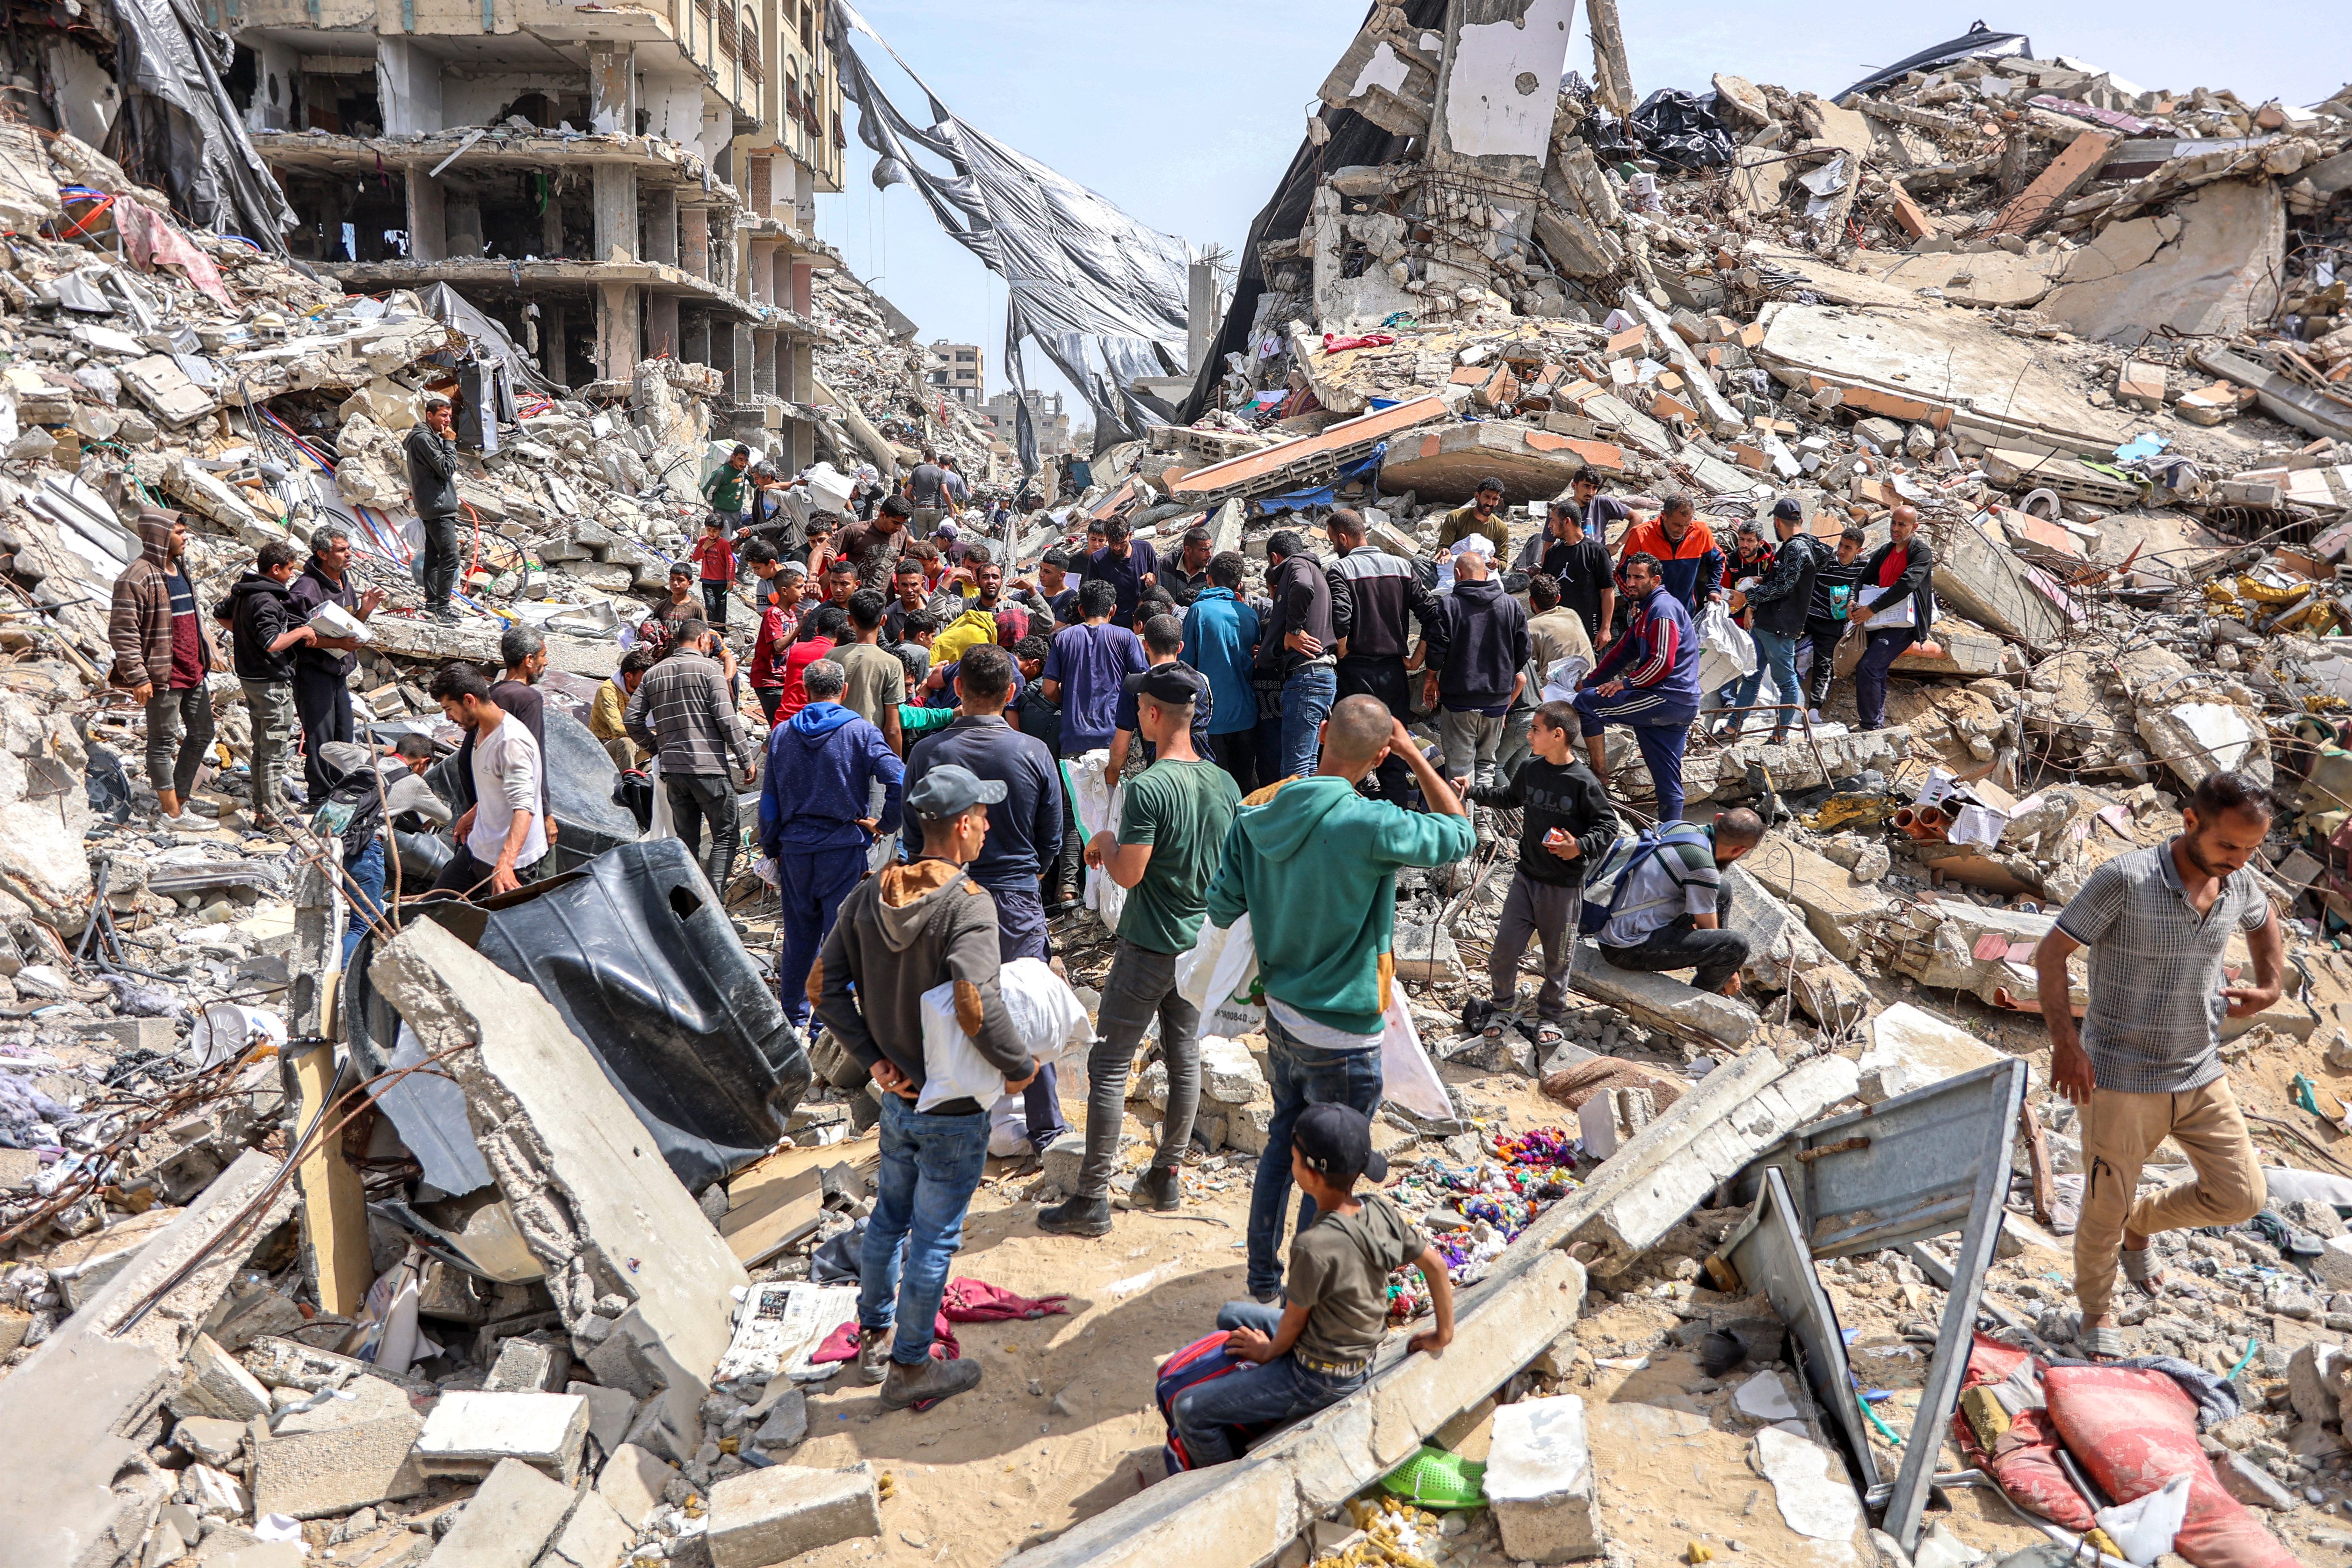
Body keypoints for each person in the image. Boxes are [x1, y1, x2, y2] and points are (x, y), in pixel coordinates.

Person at [1203, 695, 1475, 1302]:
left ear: (1321, 730)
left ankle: (1262, 1277)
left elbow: (1223, 907)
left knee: (1284, 1143)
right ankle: (1309, 1288)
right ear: (1380, 755)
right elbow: (1460, 834)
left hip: (1282, 1015)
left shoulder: (1259, 812)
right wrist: (1412, 754)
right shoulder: (1372, 823)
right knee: (1331, 1174)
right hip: (1346, 1032)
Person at [2033, 769, 2279, 1360]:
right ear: (2191, 822)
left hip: (2199, 1070)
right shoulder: (2125, 878)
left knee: (2243, 1196)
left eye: (2252, 849)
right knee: (2102, 1211)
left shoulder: (2239, 880)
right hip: (2119, 1075)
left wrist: (2269, 987)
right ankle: (2097, 1310)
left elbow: (2262, 917)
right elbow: (2051, 952)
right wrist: (2067, 1045)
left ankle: (2142, 1223)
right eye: (2228, 845)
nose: (2240, 860)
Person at [816, 764, 1036, 1411]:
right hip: (955, 1107)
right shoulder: (970, 904)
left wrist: (872, 1060)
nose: (990, 825)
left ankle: (874, 1334)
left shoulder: (867, 896)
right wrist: (1020, 1067)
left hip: (899, 1102)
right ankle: (911, 1367)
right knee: (935, 1238)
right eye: (984, 816)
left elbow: (818, 988)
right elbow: (974, 1003)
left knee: (889, 1219)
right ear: (964, 825)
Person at [1041, 664, 1241, 1236]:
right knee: (1183, 1056)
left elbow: (1129, 874)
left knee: (1107, 1065)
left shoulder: (1152, 787)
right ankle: (1165, 1177)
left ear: (1153, 715)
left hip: (1150, 943)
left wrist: (1102, 840)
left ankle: (1093, 1198)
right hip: (1199, 946)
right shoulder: (1223, 783)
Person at [1169, 1104, 1455, 1467]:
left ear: (1311, 1174)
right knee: (1231, 1315)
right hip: (1357, 1354)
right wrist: (1442, 1336)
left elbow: (1292, 1323)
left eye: (1292, 1158)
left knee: (1189, 1409)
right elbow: (1437, 1266)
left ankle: (1223, 1481)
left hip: (1319, 1378)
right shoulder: (1379, 1211)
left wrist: (1267, 1352)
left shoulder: (1313, 1245)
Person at [904, 643, 1071, 1153]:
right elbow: (1053, 836)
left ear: (958, 689)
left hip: (946, 897)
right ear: (1012, 693)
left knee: (949, 1004)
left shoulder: (927, 753)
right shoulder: (1033, 751)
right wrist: (1032, 873)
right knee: (1025, 1006)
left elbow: (914, 838)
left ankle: (953, 1125)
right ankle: (1047, 1129)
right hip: (1017, 896)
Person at [760, 657, 904, 1031]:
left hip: (795, 849)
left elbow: (770, 802)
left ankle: (793, 1021)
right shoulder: (861, 731)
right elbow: (900, 782)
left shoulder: (783, 733)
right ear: (843, 691)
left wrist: (771, 847)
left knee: (799, 939)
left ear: (806, 691)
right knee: (839, 939)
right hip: (842, 849)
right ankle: (825, 1026)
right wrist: (885, 824)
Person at [1464, 701, 1616, 1044]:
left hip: (1562, 887)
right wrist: (1471, 790)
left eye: (1535, 729)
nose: (1529, 734)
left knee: (1557, 958)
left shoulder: (1583, 782)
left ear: (1558, 735)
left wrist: (1578, 846)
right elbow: (1509, 797)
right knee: (1504, 949)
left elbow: (1608, 825)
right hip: (1526, 878)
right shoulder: (1532, 769)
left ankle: (1550, 1017)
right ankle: (1502, 1008)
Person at [625, 620, 760, 891]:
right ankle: (716, 911)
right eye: (710, 642)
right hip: (707, 768)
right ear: (701, 640)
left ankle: (689, 912)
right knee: (726, 836)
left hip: (674, 773)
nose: (710, 647)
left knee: (686, 843)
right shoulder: (710, 669)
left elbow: (632, 720)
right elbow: (726, 717)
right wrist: (746, 758)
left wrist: (659, 749)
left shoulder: (654, 674)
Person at [110, 507, 222, 821]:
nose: (186, 537)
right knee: (163, 740)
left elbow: (190, 619)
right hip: (162, 674)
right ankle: (172, 815)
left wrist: (207, 652)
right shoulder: (137, 576)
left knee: (202, 732)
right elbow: (123, 631)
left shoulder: (178, 568)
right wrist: (137, 676)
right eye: (179, 532)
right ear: (160, 535)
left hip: (193, 670)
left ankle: (181, 797)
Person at [1575, 552, 1703, 823]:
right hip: (1679, 705)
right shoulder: (1646, 610)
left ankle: (1599, 774)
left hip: (1666, 698)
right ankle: (1672, 836)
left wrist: (1625, 683)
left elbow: (1662, 663)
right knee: (1667, 779)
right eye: (1628, 576)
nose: (1630, 583)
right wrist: (1589, 681)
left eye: (1638, 578)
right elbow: (1622, 653)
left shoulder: (1662, 610)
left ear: (1655, 580)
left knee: (1586, 703)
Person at [1324, 508, 1435, 807]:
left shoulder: (1341, 570)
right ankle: (1396, 822)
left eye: (1334, 541)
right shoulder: (1402, 566)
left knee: (1350, 749)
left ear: (1344, 538)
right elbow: (1433, 614)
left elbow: (1340, 618)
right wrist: (1416, 660)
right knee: (1395, 752)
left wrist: (1343, 650)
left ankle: (1349, 820)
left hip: (1355, 672)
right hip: (1394, 673)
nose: (1335, 547)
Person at [1595, 808, 1762, 996]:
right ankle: (1701, 999)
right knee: (1734, 947)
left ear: (1718, 818)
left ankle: (1715, 975)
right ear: (1739, 850)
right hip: (1625, 948)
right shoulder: (1703, 868)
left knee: (1721, 891)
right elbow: (1710, 931)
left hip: (1612, 922)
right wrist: (1730, 972)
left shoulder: (1679, 827)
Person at [314, 732, 445, 963]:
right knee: (366, 923)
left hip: (329, 844)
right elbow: (446, 815)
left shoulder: (365, 759)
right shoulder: (415, 783)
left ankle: (327, 965)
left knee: (326, 914)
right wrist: (435, 822)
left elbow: (327, 748)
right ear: (424, 761)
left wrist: (381, 749)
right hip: (365, 851)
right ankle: (340, 974)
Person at [426, 661, 547, 896]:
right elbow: (498, 785)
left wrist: (506, 864)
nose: (449, 718)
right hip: (477, 849)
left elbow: (524, 807)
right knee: (432, 911)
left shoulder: (511, 742)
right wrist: (475, 812)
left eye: (450, 708)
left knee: (496, 929)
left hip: (510, 863)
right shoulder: (483, 730)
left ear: (470, 700)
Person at [285, 524, 385, 808]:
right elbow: (297, 638)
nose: (349, 555)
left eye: (348, 548)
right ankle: (319, 795)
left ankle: (341, 791)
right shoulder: (306, 589)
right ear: (323, 554)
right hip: (313, 672)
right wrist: (338, 644)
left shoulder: (344, 583)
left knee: (343, 733)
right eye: (342, 550)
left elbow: (352, 628)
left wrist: (365, 609)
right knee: (320, 735)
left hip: (339, 672)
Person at [1417, 542, 1528, 791]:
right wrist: (1504, 678)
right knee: (1487, 765)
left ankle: (1463, 829)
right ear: (1487, 573)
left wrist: (1431, 677)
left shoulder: (1449, 605)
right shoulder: (1510, 605)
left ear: (1457, 575)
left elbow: (1437, 649)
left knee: (1460, 770)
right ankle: (1485, 827)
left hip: (1460, 701)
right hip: (1497, 702)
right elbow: (1524, 652)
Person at [227, 540, 316, 827]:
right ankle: (271, 819)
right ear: (275, 569)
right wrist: (303, 631)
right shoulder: (266, 600)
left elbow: (221, 613)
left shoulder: (246, 591)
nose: (292, 575)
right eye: (290, 569)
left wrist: (245, 637)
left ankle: (261, 811)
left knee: (262, 748)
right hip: (270, 683)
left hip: (251, 679)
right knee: (274, 753)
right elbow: (272, 642)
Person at [1725, 498, 1820, 743]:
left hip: (1780, 627)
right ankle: (1733, 728)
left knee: (1786, 683)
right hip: (1766, 623)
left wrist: (1747, 596)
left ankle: (1781, 734)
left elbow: (1785, 586)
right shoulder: (1795, 547)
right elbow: (1782, 578)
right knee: (1752, 675)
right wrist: (1762, 580)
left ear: (1778, 523)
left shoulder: (1797, 549)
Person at [1181, 551, 1263, 795]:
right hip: (1246, 716)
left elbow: (1186, 666)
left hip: (1211, 720)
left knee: (1214, 793)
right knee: (1243, 787)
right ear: (1239, 584)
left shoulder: (1198, 612)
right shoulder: (1249, 615)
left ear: (1209, 579)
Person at [1260, 530, 1338, 784]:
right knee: (1308, 765)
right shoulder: (1314, 568)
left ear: (1275, 557)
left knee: (1294, 770)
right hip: (1319, 676)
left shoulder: (1296, 564)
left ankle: (1296, 824)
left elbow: (1302, 586)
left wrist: (1293, 629)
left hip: (1307, 678)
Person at [1851, 506, 1935, 732]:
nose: (1896, 529)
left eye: (1902, 525)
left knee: (1870, 666)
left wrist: (1871, 609)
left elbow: (1907, 584)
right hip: (1881, 619)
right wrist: (1852, 601)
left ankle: (1870, 726)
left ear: (1914, 528)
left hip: (1905, 624)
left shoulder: (1921, 553)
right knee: (1875, 668)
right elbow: (1862, 577)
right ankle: (1873, 723)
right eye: (1894, 523)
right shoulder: (1886, 551)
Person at [1041, 579, 1147, 759]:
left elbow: (1049, 689)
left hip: (1073, 739)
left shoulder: (1063, 638)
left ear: (1081, 610)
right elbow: (1141, 683)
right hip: (1116, 737)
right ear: (1113, 610)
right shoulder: (1126, 637)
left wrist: (1068, 697)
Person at [1107, 615, 1214, 780]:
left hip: (1159, 773)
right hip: (1203, 771)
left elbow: (1121, 748)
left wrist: (1112, 774)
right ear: (1180, 647)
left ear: (1146, 645)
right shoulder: (1202, 681)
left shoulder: (1138, 686)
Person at [1517, 498, 1615, 650]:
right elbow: (1546, 591)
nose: (1550, 526)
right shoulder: (1553, 553)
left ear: (1567, 521)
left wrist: (1605, 629)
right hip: (1560, 630)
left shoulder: (1596, 552)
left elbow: (1607, 591)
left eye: (1553, 521)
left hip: (1589, 628)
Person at [1801, 524, 1868, 724]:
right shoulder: (1826, 559)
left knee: (1825, 662)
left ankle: (1814, 708)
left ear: (1859, 551)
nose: (1841, 551)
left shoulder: (1864, 566)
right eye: (1841, 545)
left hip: (1832, 622)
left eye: (1848, 548)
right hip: (1808, 615)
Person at [1615, 492, 1722, 617]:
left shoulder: (1701, 532)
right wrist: (1635, 598)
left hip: (1686, 612)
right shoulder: (1641, 535)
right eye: (1676, 525)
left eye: (1687, 525)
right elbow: (1620, 573)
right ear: (1664, 515)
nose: (1681, 531)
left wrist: (1714, 589)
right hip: (1648, 613)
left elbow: (1717, 560)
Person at [407, 394, 462, 621]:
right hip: (438, 508)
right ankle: (442, 608)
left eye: (449, 416)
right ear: (429, 416)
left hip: (432, 505)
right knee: (451, 557)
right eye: (442, 415)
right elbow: (447, 469)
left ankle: (432, 605)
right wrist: (450, 443)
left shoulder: (426, 438)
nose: (447, 420)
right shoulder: (424, 439)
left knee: (433, 556)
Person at [835, 589, 907, 755]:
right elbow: (892, 729)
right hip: (871, 749)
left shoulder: (832, 656)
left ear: (850, 621)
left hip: (837, 746)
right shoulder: (892, 664)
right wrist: (897, 768)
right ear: (883, 620)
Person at [1078, 514, 1158, 626]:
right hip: (1115, 625)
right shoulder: (1098, 560)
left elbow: (1158, 586)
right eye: (1112, 542)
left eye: (1122, 542)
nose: (1116, 547)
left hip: (1144, 623)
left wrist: (1153, 578)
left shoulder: (1146, 550)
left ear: (1130, 535)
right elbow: (1095, 597)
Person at [1525, 572, 1595, 694]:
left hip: (1561, 692)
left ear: (1532, 601)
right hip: (1589, 683)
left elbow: (1518, 661)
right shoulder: (1571, 613)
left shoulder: (1531, 627)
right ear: (1558, 598)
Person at [593, 645, 658, 766]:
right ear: (629, 676)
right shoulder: (608, 690)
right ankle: (629, 782)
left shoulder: (643, 689)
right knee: (627, 742)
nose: (648, 682)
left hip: (636, 741)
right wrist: (648, 734)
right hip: (605, 747)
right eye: (644, 678)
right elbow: (617, 729)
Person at [834, 496, 911, 588]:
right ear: (883, 516)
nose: (899, 528)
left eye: (902, 524)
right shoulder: (856, 531)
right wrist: (813, 578)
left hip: (886, 600)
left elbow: (900, 559)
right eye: (895, 523)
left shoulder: (902, 532)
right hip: (859, 598)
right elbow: (820, 551)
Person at [1436, 476, 1510, 557]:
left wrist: (1495, 562)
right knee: (1420, 561)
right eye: (1487, 497)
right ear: (1477, 496)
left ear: (1499, 501)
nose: (1490, 503)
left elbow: (1502, 562)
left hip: (1483, 569)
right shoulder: (1456, 517)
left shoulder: (1501, 528)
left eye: (1495, 499)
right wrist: (1445, 553)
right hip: (1454, 565)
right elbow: (1442, 548)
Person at [689, 514, 738, 630]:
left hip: (721, 582)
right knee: (710, 605)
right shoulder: (703, 541)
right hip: (707, 580)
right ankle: (712, 629)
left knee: (721, 607)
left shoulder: (725, 544)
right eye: (709, 530)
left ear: (721, 530)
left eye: (715, 531)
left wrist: (731, 581)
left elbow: (731, 562)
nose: (711, 533)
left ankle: (721, 630)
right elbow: (695, 558)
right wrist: (705, 547)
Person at [1566, 464, 1632, 545]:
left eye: (1595, 488)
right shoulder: (1562, 509)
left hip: (1597, 556)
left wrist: (1617, 545)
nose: (1590, 493)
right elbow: (1549, 542)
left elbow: (1636, 518)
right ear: (1574, 486)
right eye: (1586, 486)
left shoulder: (1602, 503)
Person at [702, 444, 751, 534]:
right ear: (733, 457)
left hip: (740, 512)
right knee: (725, 544)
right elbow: (707, 492)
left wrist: (751, 471)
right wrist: (717, 504)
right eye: (741, 460)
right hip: (724, 515)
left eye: (746, 460)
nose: (744, 464)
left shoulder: (744, 471)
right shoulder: (722, 473)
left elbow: (755, 485)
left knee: (752, 539)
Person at [883, 557, 932, 643]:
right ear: (897, 585)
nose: (909, 590)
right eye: (904, 585)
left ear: (923, 583)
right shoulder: (889, 616)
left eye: (914, 585)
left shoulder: (936, 609)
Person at [1165, 525, 1215, 605]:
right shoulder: (1167, 565)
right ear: (1188, 550)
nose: (1209, 555)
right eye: (1204, 550)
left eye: (1210, 549)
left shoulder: (1214, 569)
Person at [650, 563, 701, 637]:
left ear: (690, 583)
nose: (675, 583)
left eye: (680, 580)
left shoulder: (696, 608)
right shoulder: (662, 606)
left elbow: (703, 634)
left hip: (687, 649)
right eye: (672, 579)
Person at [907, 450, 950, 537]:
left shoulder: (916, 471)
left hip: (920, 509)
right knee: (934, 539)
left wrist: (915, 499)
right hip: (935, 508)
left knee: (922, 540)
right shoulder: (941, 472)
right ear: (935, 459)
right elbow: (945, 492)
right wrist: (951, 511)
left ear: (925, 458)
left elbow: (908, 492)